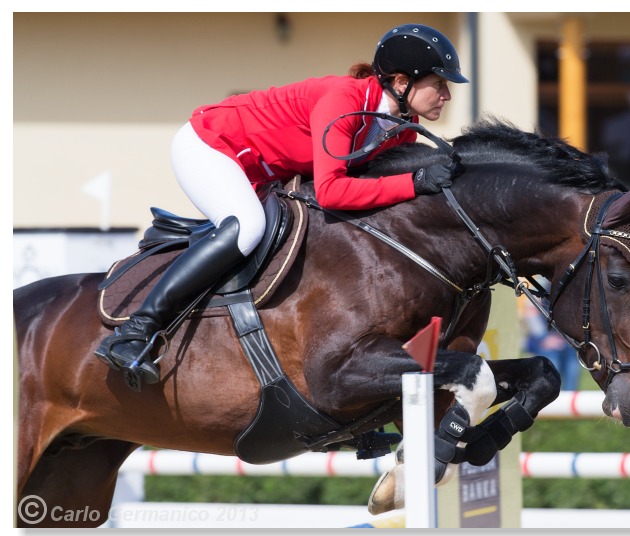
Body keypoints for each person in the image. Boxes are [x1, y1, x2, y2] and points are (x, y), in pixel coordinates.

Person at [95, 24, 469, 390]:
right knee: (247, 226)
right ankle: (137, 330)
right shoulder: (345, 101)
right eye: (439, 84)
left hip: (263, 172)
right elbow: (333, 192)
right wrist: (414, 183)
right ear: (402, 83)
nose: (446, 95)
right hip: (212, 145)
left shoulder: (404, 126)